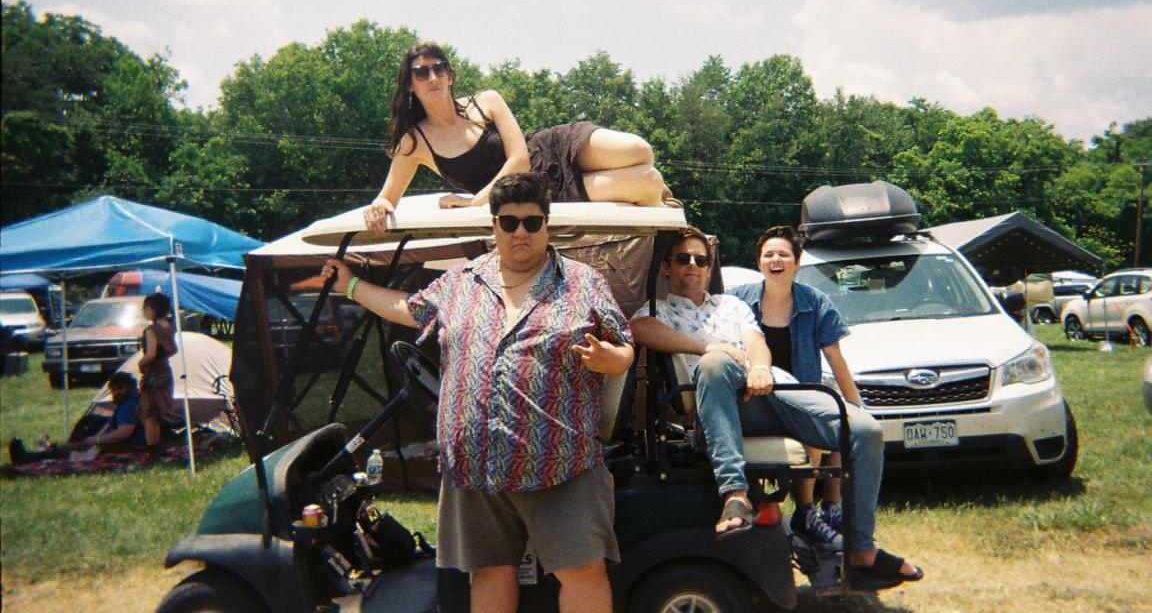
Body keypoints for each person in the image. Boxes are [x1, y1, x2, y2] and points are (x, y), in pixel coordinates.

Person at [323, 172, 634, 613]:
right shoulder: (461, 281)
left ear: (547, 225)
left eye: (532, 222)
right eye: (509, 223)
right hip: (475, 469)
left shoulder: (583, 282)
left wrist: (610, 359)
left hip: (560, 464)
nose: (521, 232)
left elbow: (624, 348)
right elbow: (407, 309)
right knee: (490, 571)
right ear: (494, 227)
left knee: (582, 572)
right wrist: (350, 285)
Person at [630, 227, 923, 590]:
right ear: (667, 268)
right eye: (683, 258)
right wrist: (705, 348)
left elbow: (756, 343)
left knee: (865, 431)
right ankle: (735, 495)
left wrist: (758, 367)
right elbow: (639, 329)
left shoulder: (732, 305)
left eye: (701, 260)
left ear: (709, 269)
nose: (693, 265)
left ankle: (861, 552)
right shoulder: (659, 311)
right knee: (716, 364)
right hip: (719, 405)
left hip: (768, 390)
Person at [365, 42, 672, 232]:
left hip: (553, 147)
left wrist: (476, 201)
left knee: (641, 150)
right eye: (421, 73)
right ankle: (659, 201)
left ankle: (657, 200)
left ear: (450, 75)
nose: (432, 77)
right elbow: (388, 197)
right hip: (539, 190)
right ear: (410, 85)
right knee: (650, 181)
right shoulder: (414, 142)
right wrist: (379, 208)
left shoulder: (487, 100)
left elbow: (520, 157)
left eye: (439, 68)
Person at [727, 225, 858, 552]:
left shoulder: (815, 302)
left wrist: (857, 407)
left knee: (838, 417)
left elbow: (835, 358)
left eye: (783, 254)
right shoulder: (737, 302)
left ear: (796, 263)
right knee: (814, 423)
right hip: (754, 398)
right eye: (768, 254)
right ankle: (807, 512)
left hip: (799, 396)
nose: (775, 259)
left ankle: (823, 508)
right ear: (759, 263)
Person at [8, 372, 148, 464]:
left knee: (81, 443)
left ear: (129, 388)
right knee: (86, 431)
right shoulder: (130, 401)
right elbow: (110, 425)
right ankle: (50, 451)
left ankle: (36, 456)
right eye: (114, 390)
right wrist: (95, 438)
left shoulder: (129, 405)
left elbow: (125, 431)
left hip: (131, 443)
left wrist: (97, 440)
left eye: (120, 389)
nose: (116, 393)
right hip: (129, 440)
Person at [139, 292, 177, 459]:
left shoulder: (151, 330)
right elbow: (173, 349)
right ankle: (160, 445)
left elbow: (151, 353)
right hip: (165, 371)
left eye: (145, 307)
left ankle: (152, 449)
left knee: (148, 413)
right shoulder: (169, 326)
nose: (143, 310)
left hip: (152, 373)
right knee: (160, 410)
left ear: (153, 309)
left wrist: (140, 363)